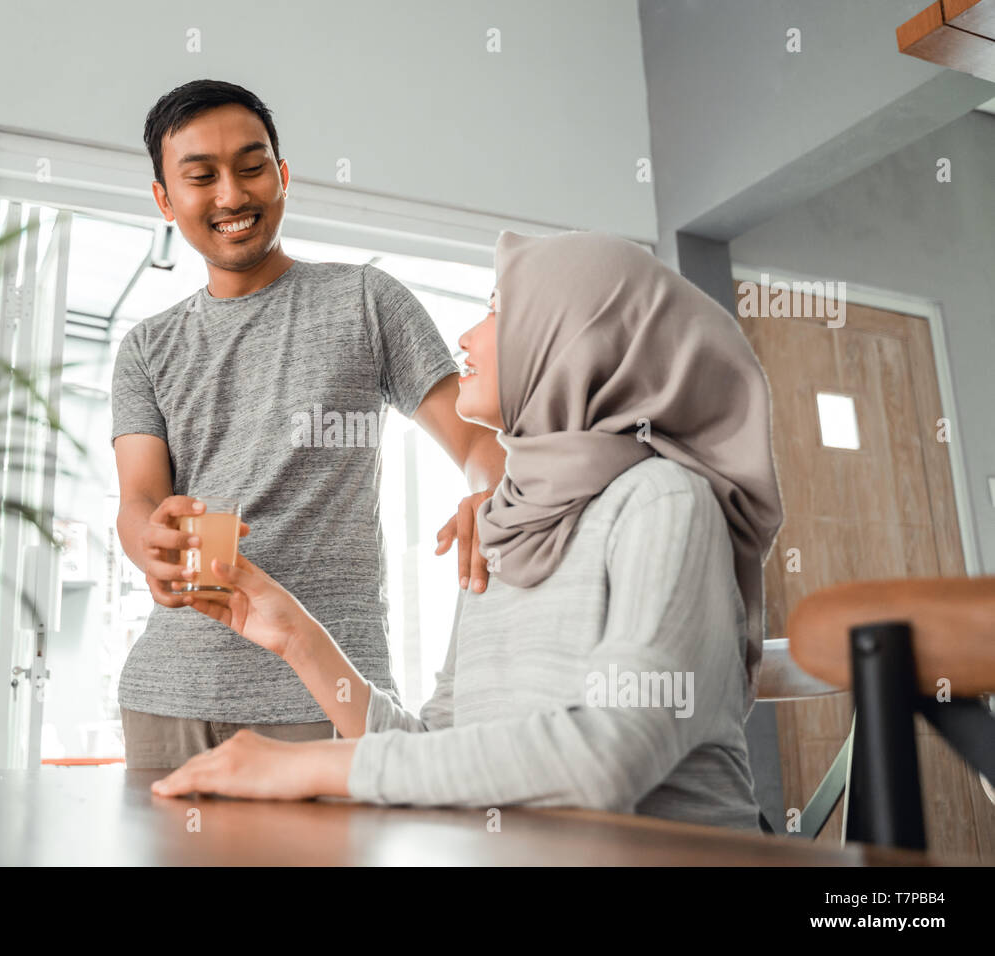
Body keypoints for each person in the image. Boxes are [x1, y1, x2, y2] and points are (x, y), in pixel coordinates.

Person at [150, 230, 785, 829]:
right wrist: (298, 639)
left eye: (496, 312)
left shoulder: (664, 501)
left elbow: (607, 759)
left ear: (571, 339)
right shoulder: (502, 519)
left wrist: (316, 765)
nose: (467, 337)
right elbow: (438, 750)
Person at [112, 79, 506, 768]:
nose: (232, 195)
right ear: (165, 199)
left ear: (283, 175)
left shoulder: (366, 300)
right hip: (168, 695)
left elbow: (476, 439)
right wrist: (150, 541)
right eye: (201, 176)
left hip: (327, 697)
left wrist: (491, 493)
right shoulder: (147, 348)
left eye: (252, 166)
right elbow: (139, 497)